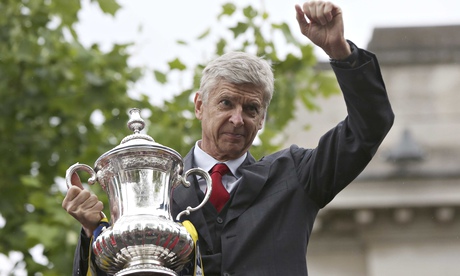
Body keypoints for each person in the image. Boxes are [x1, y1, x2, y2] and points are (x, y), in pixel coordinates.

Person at [62, 1, 394, 275]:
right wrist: (94, 232)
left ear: (261, 119)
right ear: (199, 105)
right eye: (226, 103)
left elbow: (369, 127)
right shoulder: (156, 191)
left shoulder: (295, 175)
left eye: (251, 108)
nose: (237, 119)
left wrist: (339, 51)